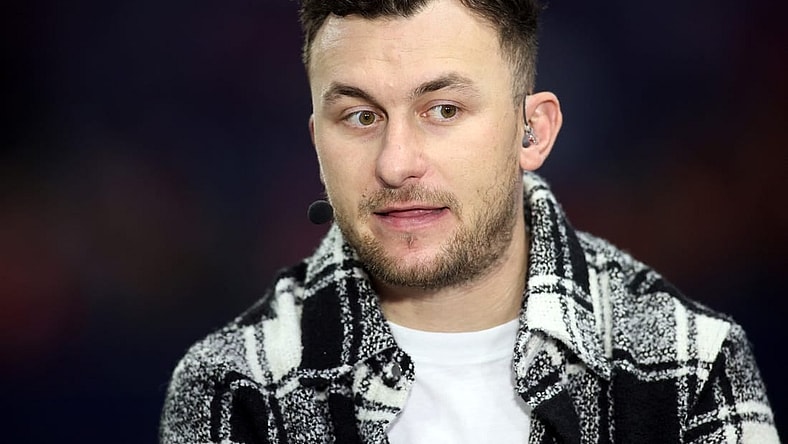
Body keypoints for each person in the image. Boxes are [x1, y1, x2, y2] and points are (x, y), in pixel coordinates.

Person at [160, 0, 779, 442]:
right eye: (360, 117)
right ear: (316, 139)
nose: (396, 163)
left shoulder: (691, 362)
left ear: (531, 131)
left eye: (444, 109)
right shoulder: (232, 387)